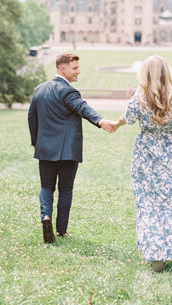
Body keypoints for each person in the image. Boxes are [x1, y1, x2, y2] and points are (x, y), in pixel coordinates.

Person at [112, 55, 172, 272]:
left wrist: (115, 125)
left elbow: (125, 118)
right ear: (166, 73)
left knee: (149, 204)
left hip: (145, 156)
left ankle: (156, 253)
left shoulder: (139, 99)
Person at [28, 52, 114, 243]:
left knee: (46, 186)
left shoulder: (39, 90)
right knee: (65, 189)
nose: (78, 72)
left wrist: (35, 142)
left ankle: (46, 216)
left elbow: (31, 117)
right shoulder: (68, 92)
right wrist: (100, 120)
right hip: (67, 150)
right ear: (63, 69)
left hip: (45, 149)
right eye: (75, 68)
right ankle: (61, 230)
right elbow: (82, 107)